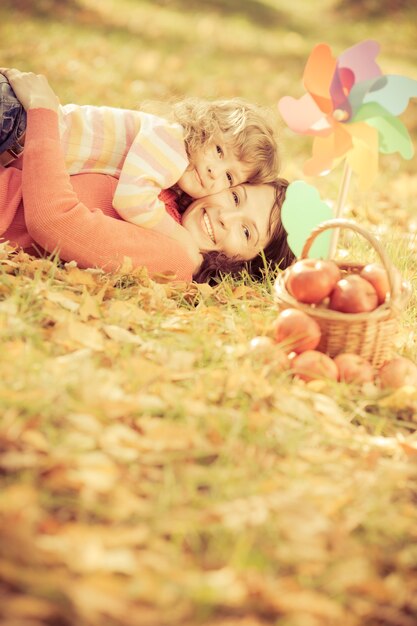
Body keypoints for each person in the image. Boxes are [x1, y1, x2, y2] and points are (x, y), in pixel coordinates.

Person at [0, 68, 294, 283]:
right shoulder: (169, 185)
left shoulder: (178, 257)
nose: (224, 216)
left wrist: (42, 110)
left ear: (250, 264)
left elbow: (52, 221)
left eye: (246, 232)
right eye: (234, 196)